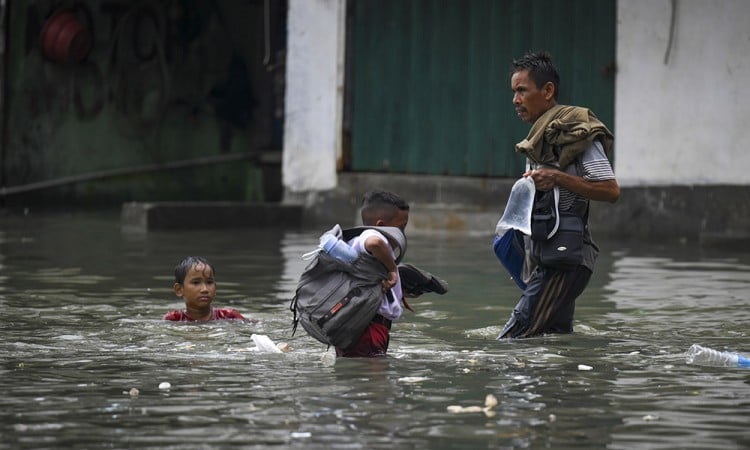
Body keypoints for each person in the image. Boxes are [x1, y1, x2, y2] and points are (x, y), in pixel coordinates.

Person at [498, 51, 620, 339]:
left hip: (565, 261)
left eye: (522, 91)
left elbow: (611, 191)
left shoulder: (578, 133)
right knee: (555, 340)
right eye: (514, 92)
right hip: (548, 256)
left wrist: (557, 178)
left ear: (548, 90)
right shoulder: (538, 140)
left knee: (512, 338)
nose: (515, 100)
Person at [335, 190, 410, 357]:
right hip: (368, 329)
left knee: (360, 377)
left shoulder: (356, 241)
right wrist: (392, 270)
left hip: (359, 325)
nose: (403, 234)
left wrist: (399, 292)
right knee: (374, 380)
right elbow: (374, 243)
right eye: (401, 227)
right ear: (382, 225)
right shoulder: (373, 235)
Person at [163, 256, 249, 322]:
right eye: (196, 283)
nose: (205, 289)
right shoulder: (173, 319)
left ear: (215, 288)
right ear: (179, 290)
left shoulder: (229, 315)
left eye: (209, 282)